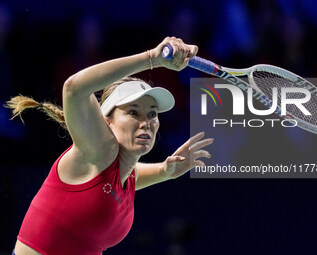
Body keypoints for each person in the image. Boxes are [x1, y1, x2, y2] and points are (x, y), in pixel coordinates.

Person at [6, 37, 214, 255]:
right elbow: (74, 88)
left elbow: (127, 178)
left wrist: (164, 170)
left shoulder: (122, 173)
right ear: (107, 122)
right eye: (133, 112)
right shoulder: (101, 150)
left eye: (152, 114)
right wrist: (151, 58)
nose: (147, 122)